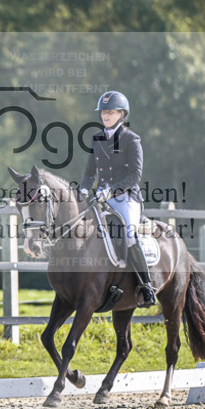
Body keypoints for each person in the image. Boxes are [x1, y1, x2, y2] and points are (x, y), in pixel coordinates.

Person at [78, 91, 156, 307]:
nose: (106, 115)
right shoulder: (97, 139)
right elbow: (88, 172)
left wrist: (111, 191)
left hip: (126, 197)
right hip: (101, 196)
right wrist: (84, 190)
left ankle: (146, 285)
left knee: (129, 235)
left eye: (110, 112)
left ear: (121, 114)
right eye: (103, 112)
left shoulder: (132, 139)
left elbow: (135, 175)